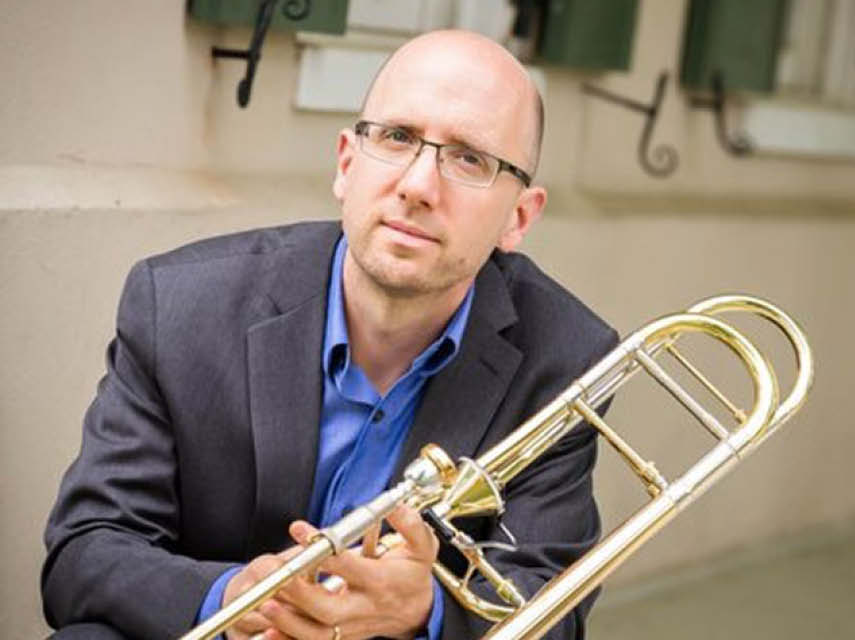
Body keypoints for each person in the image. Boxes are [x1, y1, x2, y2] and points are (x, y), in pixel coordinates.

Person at [42, 30, 617, 640]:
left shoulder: (566, 359)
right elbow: (85, 556)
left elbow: (553, 612)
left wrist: (426, 613)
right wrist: (233, 599)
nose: (419, 186)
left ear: (519, 217)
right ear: (347, 163)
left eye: (470, 158)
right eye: (397, 137)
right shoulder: (181, 306)